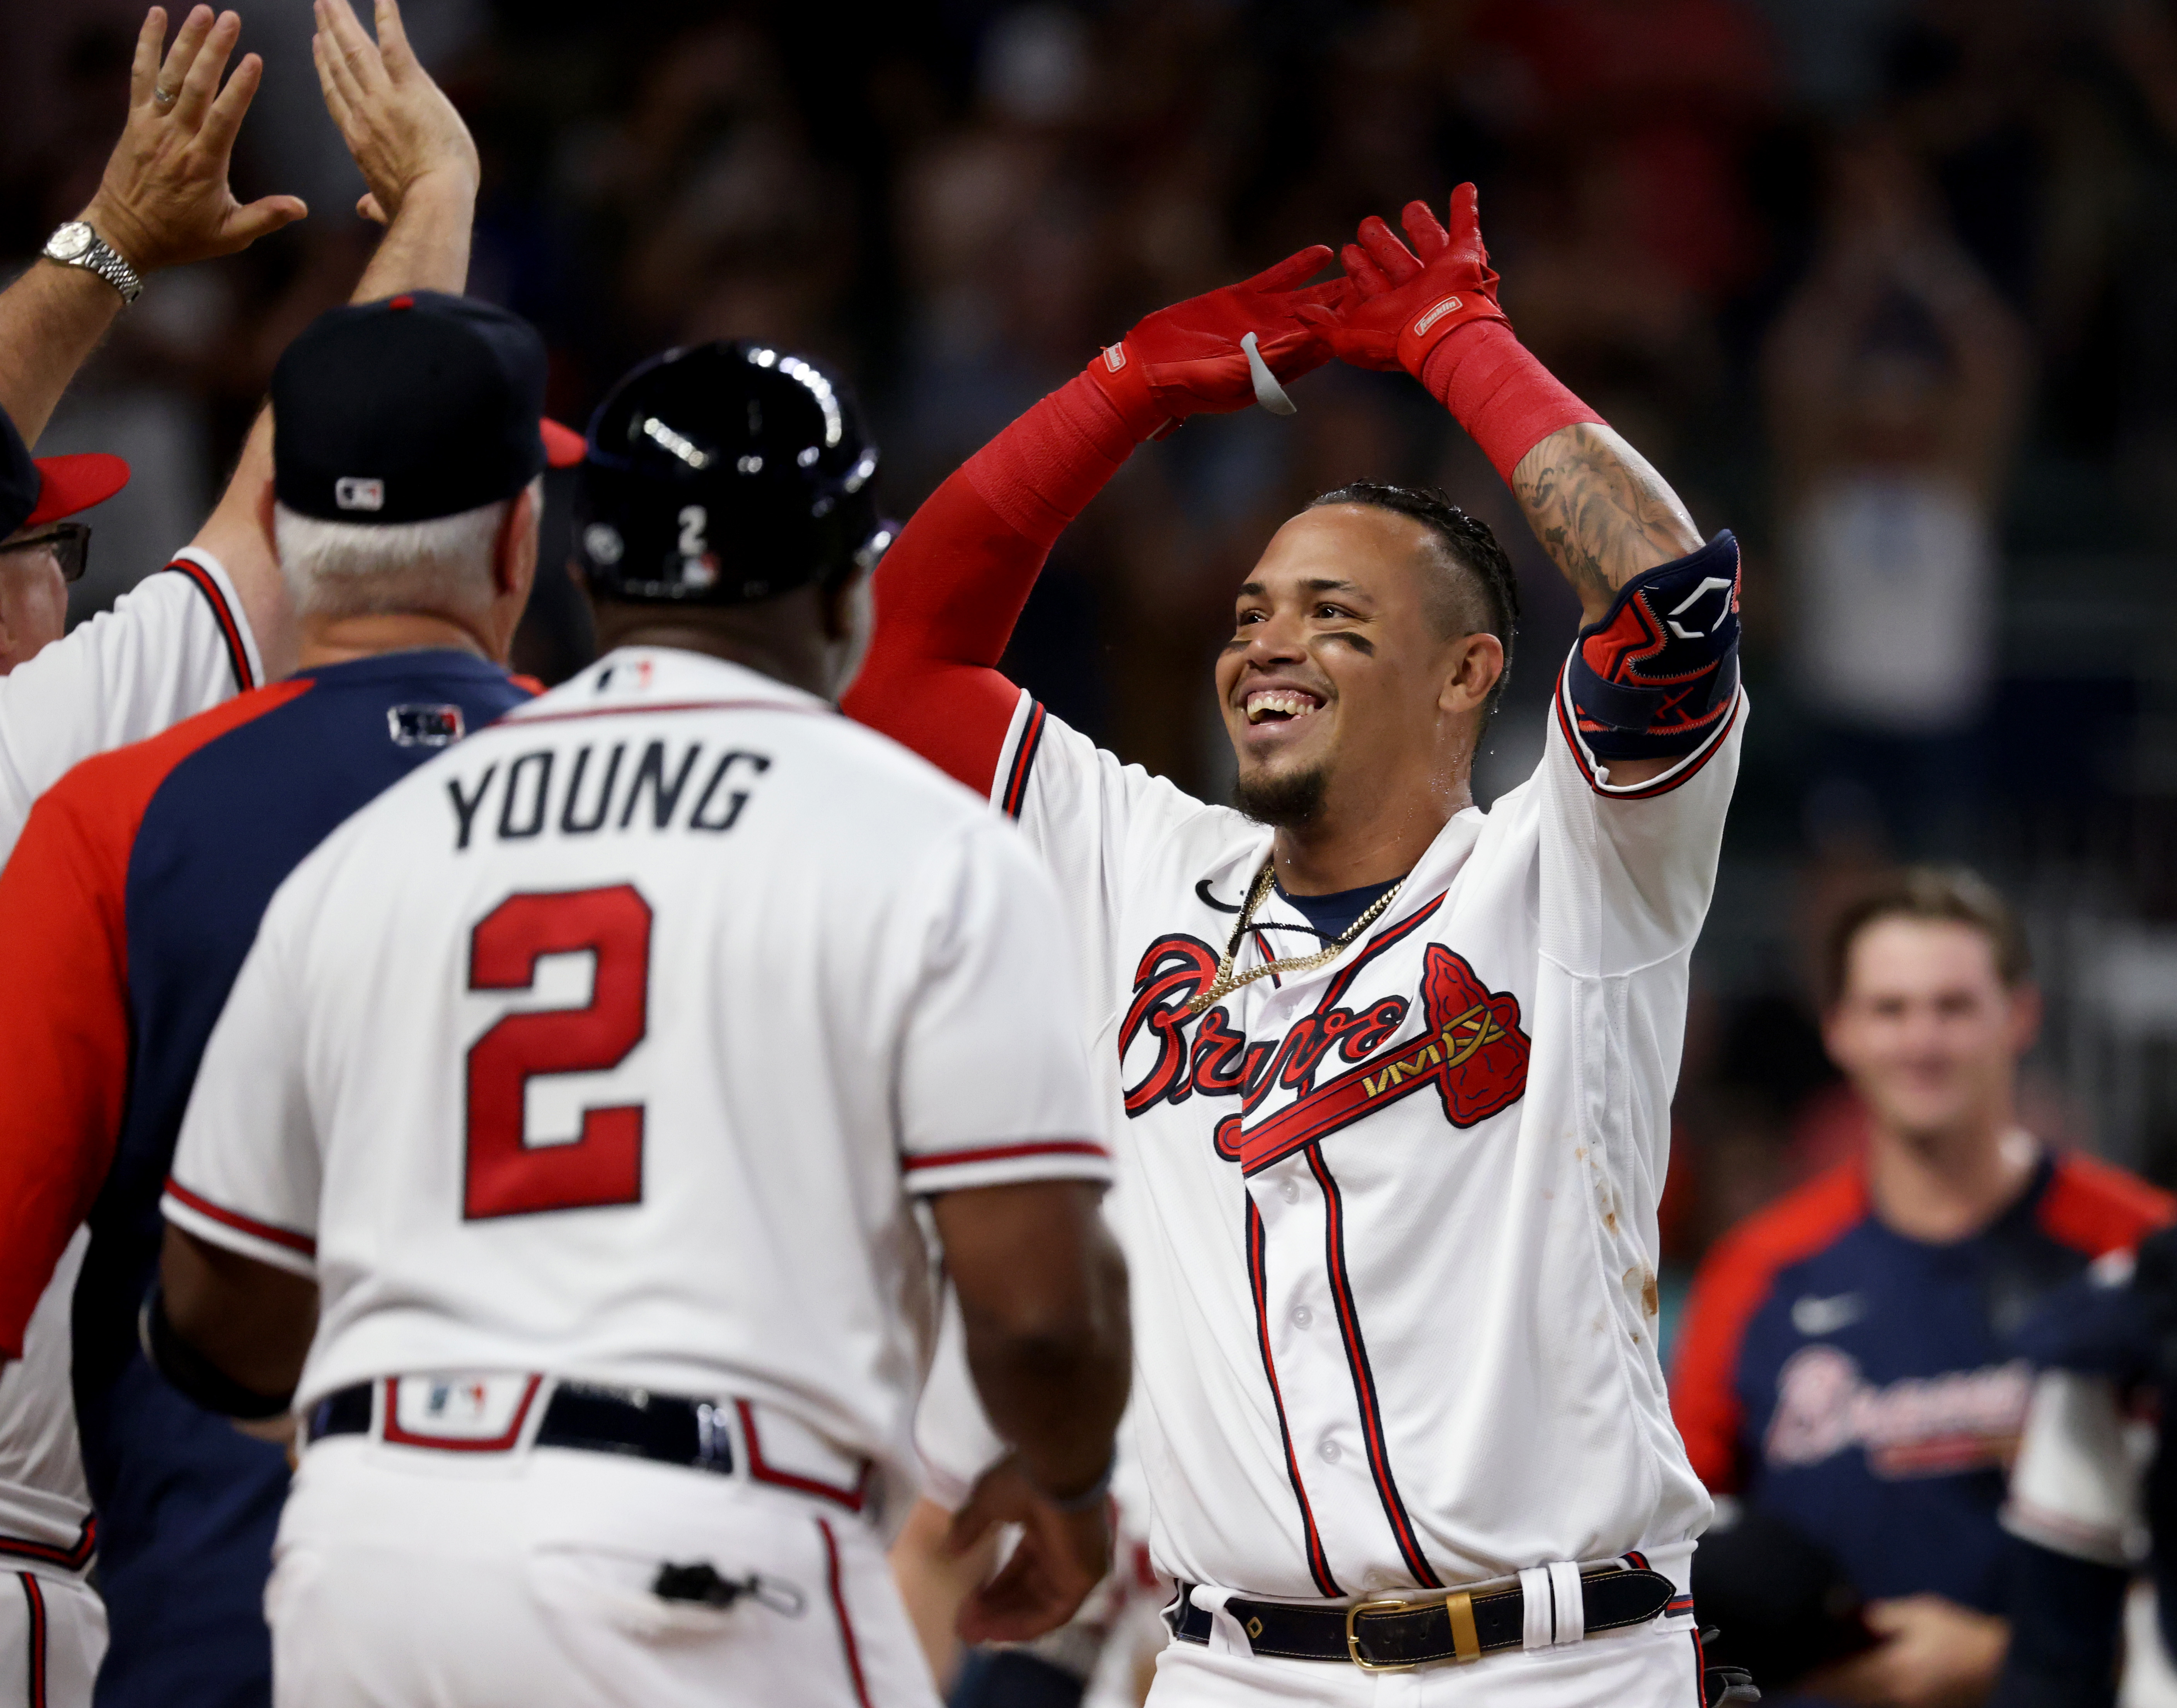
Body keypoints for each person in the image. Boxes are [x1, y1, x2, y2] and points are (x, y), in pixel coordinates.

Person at [844, 182, 1742, 1704]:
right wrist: (1118, 396)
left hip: (1562, 1663)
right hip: (1232, 1665)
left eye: (1331, 613)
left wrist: (1458, 341)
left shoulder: (1574, 865)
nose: (1263, 640)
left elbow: (1670, 597)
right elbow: (894, 668)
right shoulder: (1132, 857)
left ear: (1467, 672)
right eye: (1251, 609)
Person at [152, 339, 1132, 1707]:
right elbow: (1039, 1313)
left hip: (373, 1558)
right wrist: (1072, 1485)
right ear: (853, 583)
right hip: (704, 1556)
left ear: (579, 574)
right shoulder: (924, 841)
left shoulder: (377, 849)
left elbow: (211, 1310)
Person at [0, 3, 474, 1700]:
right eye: (50, 539)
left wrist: (104, 245)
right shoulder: (39, 745)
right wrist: (432, 203)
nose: (71, 571)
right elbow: (304, 530)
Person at [1671, 867, 2172, 1708]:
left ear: (2018, 1015)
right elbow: (1675, 1534)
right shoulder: (1757, 1270)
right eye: (1889, 1009)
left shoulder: (2141, 1252)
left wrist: (2005, 1651)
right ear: (1837, 1029)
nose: (1921, 1041)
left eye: (1952, 1006)